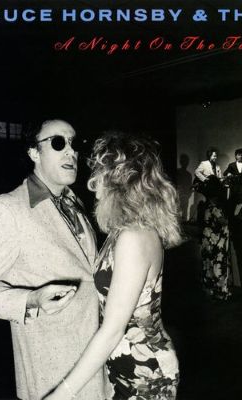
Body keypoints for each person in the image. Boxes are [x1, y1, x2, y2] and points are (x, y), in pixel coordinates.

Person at [0, 120, 106, 400]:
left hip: (95, 362)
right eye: (58, 143)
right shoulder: (7, 210)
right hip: (50, 372)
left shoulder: (74, 202)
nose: (71, 152)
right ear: (33, 153)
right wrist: (30, 300)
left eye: (74, 143)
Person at [44, 132, 181, 400]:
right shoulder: (122, 231)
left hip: (144, 370)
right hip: (126, 363)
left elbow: (113, 330)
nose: (92, 184)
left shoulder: (133, 237)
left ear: (119, 181)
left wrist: (61, 395)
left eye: (99, 173)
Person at [200, 175, 233, 300]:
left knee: (208, 264)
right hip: (216, 240)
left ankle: (210, 290)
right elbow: (224, 222)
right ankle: (220, 291)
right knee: (218, 265)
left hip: (207, 238)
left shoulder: (206, 206)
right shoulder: (215, 208)